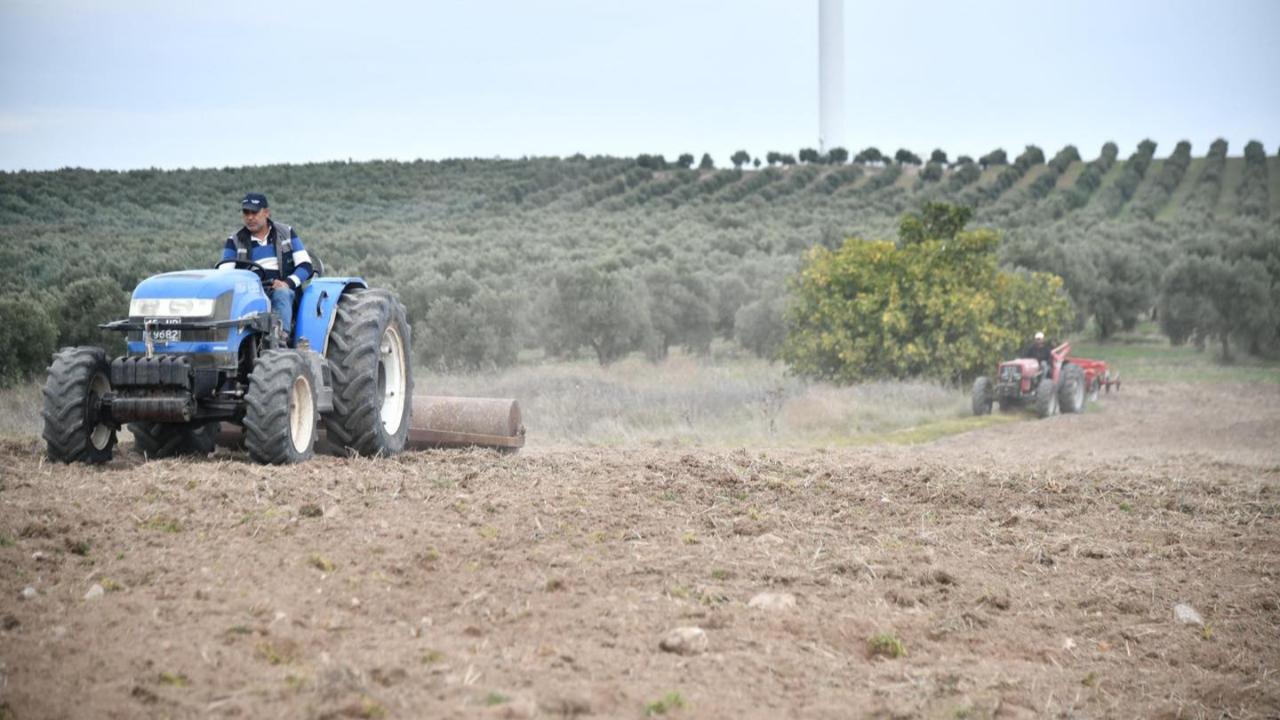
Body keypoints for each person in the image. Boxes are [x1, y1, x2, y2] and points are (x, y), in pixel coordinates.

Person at [216, 193, 313, 341]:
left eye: (254, 212)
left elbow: (306, 266)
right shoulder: (235, 240)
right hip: (250, 293)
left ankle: (280, 339)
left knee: (282, 293)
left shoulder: (285, 233)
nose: (250, 217)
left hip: (281, 290)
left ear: (266, 212)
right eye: (246, 213)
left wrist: (287, 283)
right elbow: (225, 274)